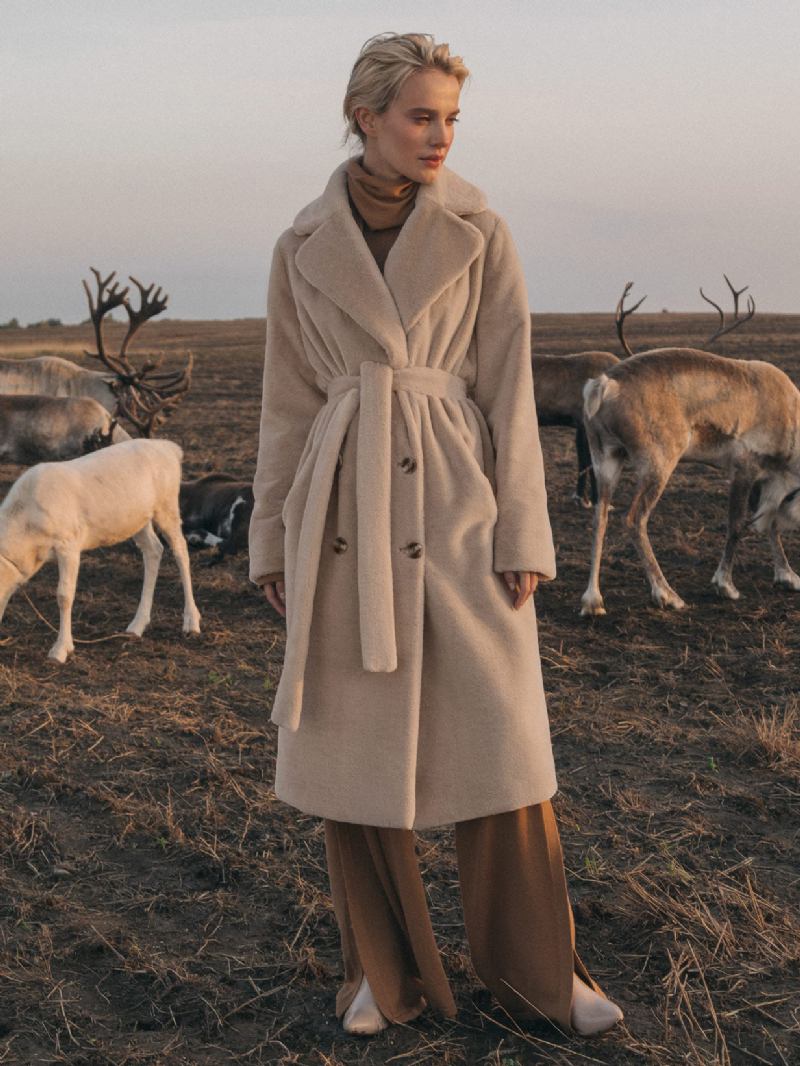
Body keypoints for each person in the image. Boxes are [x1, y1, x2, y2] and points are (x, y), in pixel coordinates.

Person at [249, 31, 624, 1039]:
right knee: (350, 750)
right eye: (421, 115)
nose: (439, 136)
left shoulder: (480, 231)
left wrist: (523, 529)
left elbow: (506, 385)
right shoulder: (298, 247)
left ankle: (543, 976)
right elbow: (286, 404)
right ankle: (381, 976)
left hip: (456, 498)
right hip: (340, 507)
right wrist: (274, 539)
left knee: (504, 745)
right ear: (364, 115)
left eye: (451, 117)